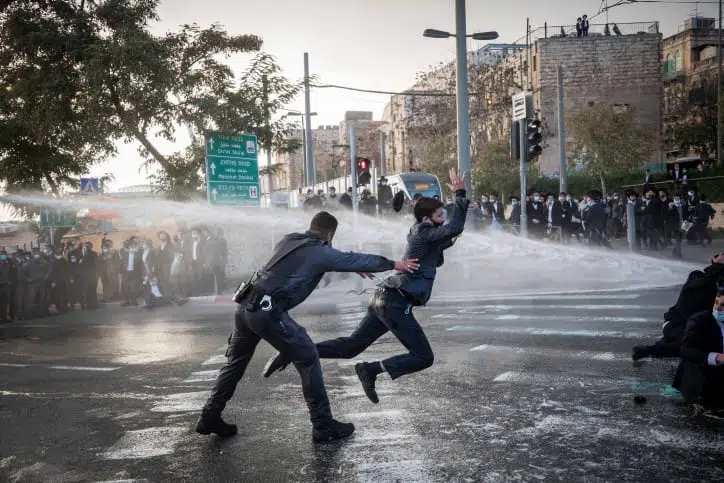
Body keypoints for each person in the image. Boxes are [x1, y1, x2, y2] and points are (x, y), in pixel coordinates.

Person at [195, 211, 420, 442]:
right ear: (330, 234)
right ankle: (323, 425)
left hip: (245, 308)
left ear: (311, 227)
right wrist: (395, 264)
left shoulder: (290, 239)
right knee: (308, 356)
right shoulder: (319, 251)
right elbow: (341, 258)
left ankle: (210, 415)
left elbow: (338, 259)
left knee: (235, 364)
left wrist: (347, 264)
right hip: (268, 312)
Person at [264, 169, 470, 406]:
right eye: (439, 214)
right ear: (426, 219)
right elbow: (453, 228)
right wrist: (460, 194)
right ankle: (371, 370)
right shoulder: (423, 232)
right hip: (395, 300)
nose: (444, 218)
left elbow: (442, 243)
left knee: (352, 346)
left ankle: (294, 351)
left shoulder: (425, 235)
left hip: (385, 297)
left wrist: (449, 241)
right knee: (423, 357)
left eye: (444, 214)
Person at [632, 253, 724, 360]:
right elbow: (705, 282)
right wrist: (718, 265)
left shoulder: (720, 287)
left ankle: (662, 344)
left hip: (696, 327)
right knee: (692, 346)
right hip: (675, 324)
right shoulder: (696, 276)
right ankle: (649, 350)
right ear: (714, 260)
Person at [672, 289, 724, 406]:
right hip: (702, 376)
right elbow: (685, 350)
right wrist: (716, 357)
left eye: (723, 305)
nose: (717, 308)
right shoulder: (699, 320)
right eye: (716, 303)